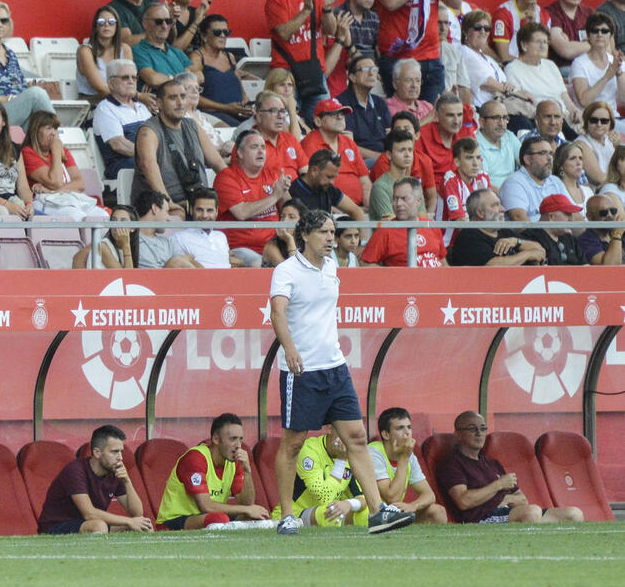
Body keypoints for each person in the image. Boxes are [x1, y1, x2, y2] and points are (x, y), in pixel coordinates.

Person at [269, 208, 414, 536]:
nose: (330, 239)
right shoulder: (286, 270)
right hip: (302, 371)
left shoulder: (332, 265)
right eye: (323, 232)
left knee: (357, 437)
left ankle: (377, 511)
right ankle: (287, 515)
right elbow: (277, 313)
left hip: (335, 368)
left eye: (332, 233)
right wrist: (289, 348)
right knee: (293, 443)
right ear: (305, 235)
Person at [438, 411, 583, 524]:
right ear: (458, 435)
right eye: (472, 429)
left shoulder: (492, 464)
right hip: (482, 518)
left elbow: (522, 500)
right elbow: (463, 501)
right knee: (531, 512)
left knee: (573, 514)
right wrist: (498, 485)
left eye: (483, 428)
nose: (479, 433)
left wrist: (504, 499)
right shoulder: (453, 463)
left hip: (510, 512)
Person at [153, 413, 270, 530]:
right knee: (218, 519)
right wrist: (246, 509)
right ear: (216, 439)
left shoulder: (234, 461)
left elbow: (247, 503)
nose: (238, 445)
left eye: (240, 439)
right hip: (174, 521)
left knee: (256, 517)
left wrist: (247, 471)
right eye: (233, 439)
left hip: (210, 517)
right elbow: (205, 506)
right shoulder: (196, 458)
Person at [36, 424, 152, 534]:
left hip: (88, 523)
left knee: (144, 526)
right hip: (57, 526)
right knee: (98, 526)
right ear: (97, 453)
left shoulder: (114, 471)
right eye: (114, 452)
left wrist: (127, 481)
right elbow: (89, 514)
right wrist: (129, 521)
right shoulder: (75, 470)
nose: (120, 458)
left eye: (121, 451)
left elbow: (137, 513)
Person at [133, 79, 224, 206]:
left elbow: (218, 163)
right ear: (159, 103)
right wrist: (169, 204)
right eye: (172, 98)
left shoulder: (193, 125)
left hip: (199, 205)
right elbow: (148, 165)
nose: (180, 102)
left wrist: (236, 191)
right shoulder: (148, 131)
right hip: (163, 207)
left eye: (183, 96)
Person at [0, 1, 55, 130]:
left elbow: (22, 88)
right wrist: (8, 99)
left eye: (4, 21)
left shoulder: (11, 54)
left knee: (39, 122)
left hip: (17, 113)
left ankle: (54, 137)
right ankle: (57, 137)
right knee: (36, 94)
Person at [215, 129, 289, 266]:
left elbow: (289, 210)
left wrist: (284, 191)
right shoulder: (226, 177)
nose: (261, 151)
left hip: (274, 245)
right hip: (240, 247)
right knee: (258, 264)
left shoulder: (272, 174)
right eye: (254, 147)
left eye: (263, 147)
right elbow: (241, 213)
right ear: (240, 153)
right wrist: (275, 195)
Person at [447, 187, 546, 266]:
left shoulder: (504, 232)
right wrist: (527, 254)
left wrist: (516, 242)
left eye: (500, 204)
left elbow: (540, 250)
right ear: (480, 213)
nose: (503, 209)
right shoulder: (468, 236)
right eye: (495, 205)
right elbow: (493, 266)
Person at [300, 98, 370, 207]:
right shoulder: (310, 144)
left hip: (360, 208)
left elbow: (364, 180)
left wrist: (367, 207)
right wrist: (335, 210)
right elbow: (312, 185)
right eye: (333, 114)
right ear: (318, 121)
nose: (340, 117)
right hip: (330, 209)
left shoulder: (349, 142)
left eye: (342, 113)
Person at [362, 177, 446, 267]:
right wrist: (394, 274)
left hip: (436, 275)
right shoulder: (385, 231)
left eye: (404, 199)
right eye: (395, 199)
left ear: (418, 201)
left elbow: (443, 263)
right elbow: (365, 263)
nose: (398, 204)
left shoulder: (432, 226)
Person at [92, 59, 150, 179]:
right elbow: (119, 145)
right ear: (111, 83)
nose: (131, 81)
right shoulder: (105, 108)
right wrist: (151, 155)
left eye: (134, 78)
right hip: (121, 166)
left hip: (146, 160)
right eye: (125, 78)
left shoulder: (142, 107)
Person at [190, 13, 252, 124]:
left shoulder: (230, 57)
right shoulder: (197, 58)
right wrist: (226, 108)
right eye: (217, 32)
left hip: (238, 112)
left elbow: (240, 88)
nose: (223, 36)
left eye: (226, 32)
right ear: (204, 36)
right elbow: (193, 96)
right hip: (213, 114)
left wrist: (245, 103)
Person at [571, 18, 625, 132]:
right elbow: (583, 100)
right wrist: (607, 76)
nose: (600, 34)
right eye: (595, 31)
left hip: (614, 118)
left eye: (604, 31)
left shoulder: (615, 61)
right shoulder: (579, 63)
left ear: (611, 36)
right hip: (593, 120)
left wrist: (619, 72)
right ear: (588, 36)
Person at [335, 54, 390, 159]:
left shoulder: (379, 102)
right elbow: (347, 145)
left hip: (384, 158)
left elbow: (392, 137)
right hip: (359, 160)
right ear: (352, 77)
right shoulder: (341, 104)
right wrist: (381, 158)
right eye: (365, 69)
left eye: (374, 69)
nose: (371, 73)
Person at [500, 134, 565, 221]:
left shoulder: (556, 181)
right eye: (543, 153)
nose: (549, 158)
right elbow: (519, 220)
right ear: (527, 159)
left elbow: (573, 214)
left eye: (551, 153)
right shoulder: (513, 183)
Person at [164, 187, 233, 268]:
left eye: (209, 210)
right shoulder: (178, 238)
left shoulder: (221, 236)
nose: (204, 215)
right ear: (191, 210)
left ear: (216, 211)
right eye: (199, 210)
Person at [133, 3, 193, 91]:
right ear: (145, 24)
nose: (164, 26)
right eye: (158, 22)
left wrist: (167, 79)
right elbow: (153, 79)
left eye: (168, 21)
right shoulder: (137, 51)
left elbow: (199, 76)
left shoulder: (177, 52)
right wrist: (183, 78)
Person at [289, 148, 363, 219]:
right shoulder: (293, 192)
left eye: (334, 177)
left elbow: (357, 211)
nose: (332, 182)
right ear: (314, 171)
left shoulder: (328, 188)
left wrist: (360, 228)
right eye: (329, 177)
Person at [76, 7, 126, 104]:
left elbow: (129, 80)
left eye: (111, 22)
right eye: (101, 22)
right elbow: (101, 89)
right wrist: (136, 97)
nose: (107, 25)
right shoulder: (85, 51)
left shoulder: (125, 49)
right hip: (93, 102)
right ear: (95, 26)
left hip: (122, 99)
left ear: (117, 26)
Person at [368, 128, 419, 219]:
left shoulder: (414, 184)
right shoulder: (380, 187)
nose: (407, 155)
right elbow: (392, 223)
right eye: (402, 150)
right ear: (389, 155)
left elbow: (423, 216)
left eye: (410, 150)